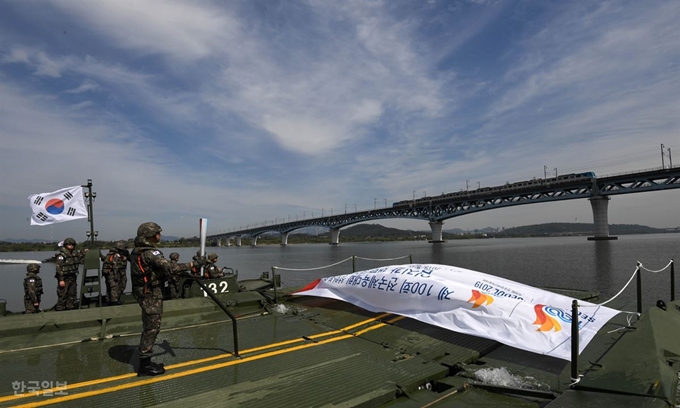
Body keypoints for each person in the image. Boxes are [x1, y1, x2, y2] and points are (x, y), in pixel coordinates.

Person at [130, 222, 205, 376]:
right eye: (158, 233)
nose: (160, 235)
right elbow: (171, 267)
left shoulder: (137, 251)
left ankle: (146, 360)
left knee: (150, 326)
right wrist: (194, 264)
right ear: (150, 235)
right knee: (152, 328)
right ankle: (144, 365)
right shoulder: (151, 253)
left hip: (144, 291)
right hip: (150, 293)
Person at [54, 237, 88, 311]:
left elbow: (79, 258)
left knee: (72, 293)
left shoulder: (74, 253)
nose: (71, 246)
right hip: (64, 277)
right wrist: (61, 279)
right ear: (66, 245)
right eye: (69, 245)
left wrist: (84, 252)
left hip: (72, 276)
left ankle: (71, 307)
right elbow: (58, 268)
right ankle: (60, 308)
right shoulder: (61, 256)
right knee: (63, 294)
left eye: (72, 245)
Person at [101, 241, 129, 305]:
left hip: (110, 273)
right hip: (113, 273)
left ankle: (109, 300)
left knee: (111, 288)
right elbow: (115, 266)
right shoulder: (115, 255)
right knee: (114, 288)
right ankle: (114, 302)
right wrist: (116, 276)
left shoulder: (111, 254)